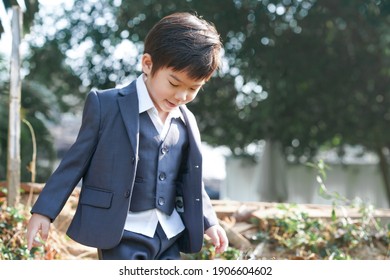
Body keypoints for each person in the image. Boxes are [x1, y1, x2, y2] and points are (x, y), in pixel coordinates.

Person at [26, 12, 228, 260]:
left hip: (169, 231)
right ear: (147, 64)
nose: (181, 96)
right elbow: (73, 163)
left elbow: (191, 180)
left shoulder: (186, 121)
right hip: (122, 230)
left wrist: (209, 222)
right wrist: (44, 212)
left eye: (193, 89)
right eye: (174, 84)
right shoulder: (106, 104)